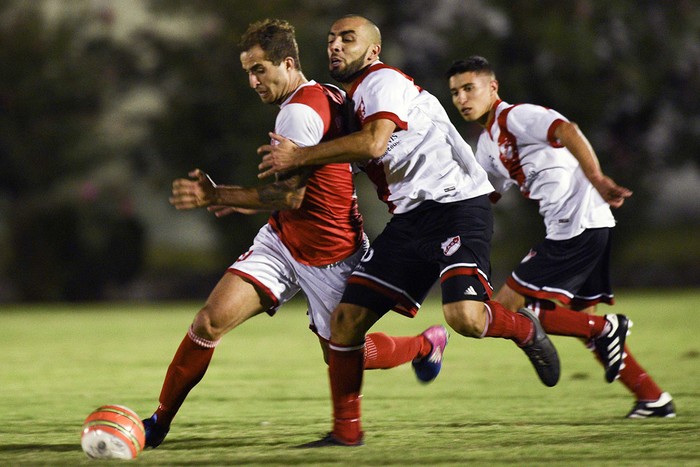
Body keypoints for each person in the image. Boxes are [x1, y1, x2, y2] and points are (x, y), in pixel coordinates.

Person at [141, 18, 451, 449]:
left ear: (288, 63)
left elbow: (290, 195)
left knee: (346, 353)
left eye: (259, 70)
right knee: (208, 322)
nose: (252, 81)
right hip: (284, 242)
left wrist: (217, 194)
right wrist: (242, 198)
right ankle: (156, 424)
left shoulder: (300, 111)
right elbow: (291, 199)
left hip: (332, 253)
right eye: (247, 72)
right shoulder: (326, 94)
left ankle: (422, 346)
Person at [258, 15, 562, 447]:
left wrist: (301, 155)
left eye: (348, 39)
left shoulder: (382, 82)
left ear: (374, 51)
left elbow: (375, 144)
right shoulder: (345, 109)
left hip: (458, 206)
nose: (336, 47)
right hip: (409, 220)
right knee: (345, 323)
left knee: (466, 318)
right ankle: (347, 433)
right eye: (331, 40)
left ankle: (525, 329)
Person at [446, 55, 675, 419]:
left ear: (493, 88)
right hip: (583, 226)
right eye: (455, 92)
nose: (461, 98)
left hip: (576, 226)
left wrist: (598, 178)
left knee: (510, 307)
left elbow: (566, 130)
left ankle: (607, 327)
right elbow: (483, 197)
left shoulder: (517, 117)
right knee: (582, 321)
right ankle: (652, 398)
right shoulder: (487, 145)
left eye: (469, 88)